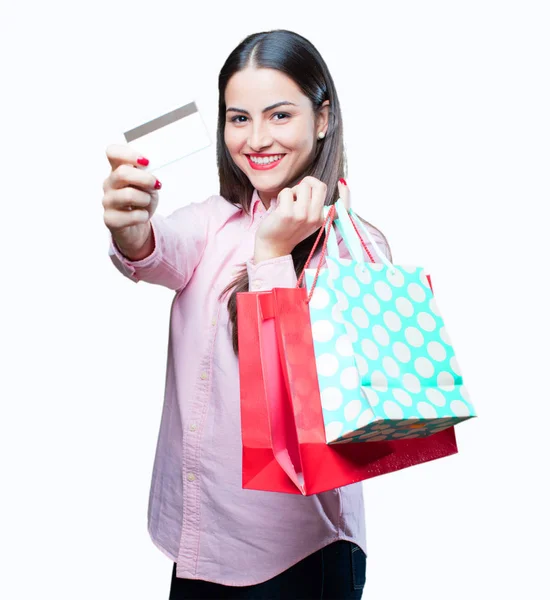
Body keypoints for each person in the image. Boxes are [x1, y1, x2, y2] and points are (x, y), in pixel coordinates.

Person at [102, 29, 391, 600]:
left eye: (279, 115)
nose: (257, 138)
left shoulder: (357, 248)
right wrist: (129, 228)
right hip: (196, 540)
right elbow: (153, 250)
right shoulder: (213, 222)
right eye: (239, 118)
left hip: (301, 555)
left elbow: (293, 404)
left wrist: (271, 256)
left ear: (323, 118)